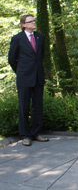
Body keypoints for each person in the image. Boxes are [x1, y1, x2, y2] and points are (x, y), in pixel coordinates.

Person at [8, 14, 48, 146]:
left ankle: (36, 133)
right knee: (24, 107)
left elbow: (41, 55)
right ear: (23, 25)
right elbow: (11, 59)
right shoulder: (17, 39)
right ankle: (25, 135)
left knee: (38, 106)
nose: (33, 23)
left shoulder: (40, 37)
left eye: (34, 20)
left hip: (38, 77)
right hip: (24, 78)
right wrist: (20, 72)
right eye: (30, 21)